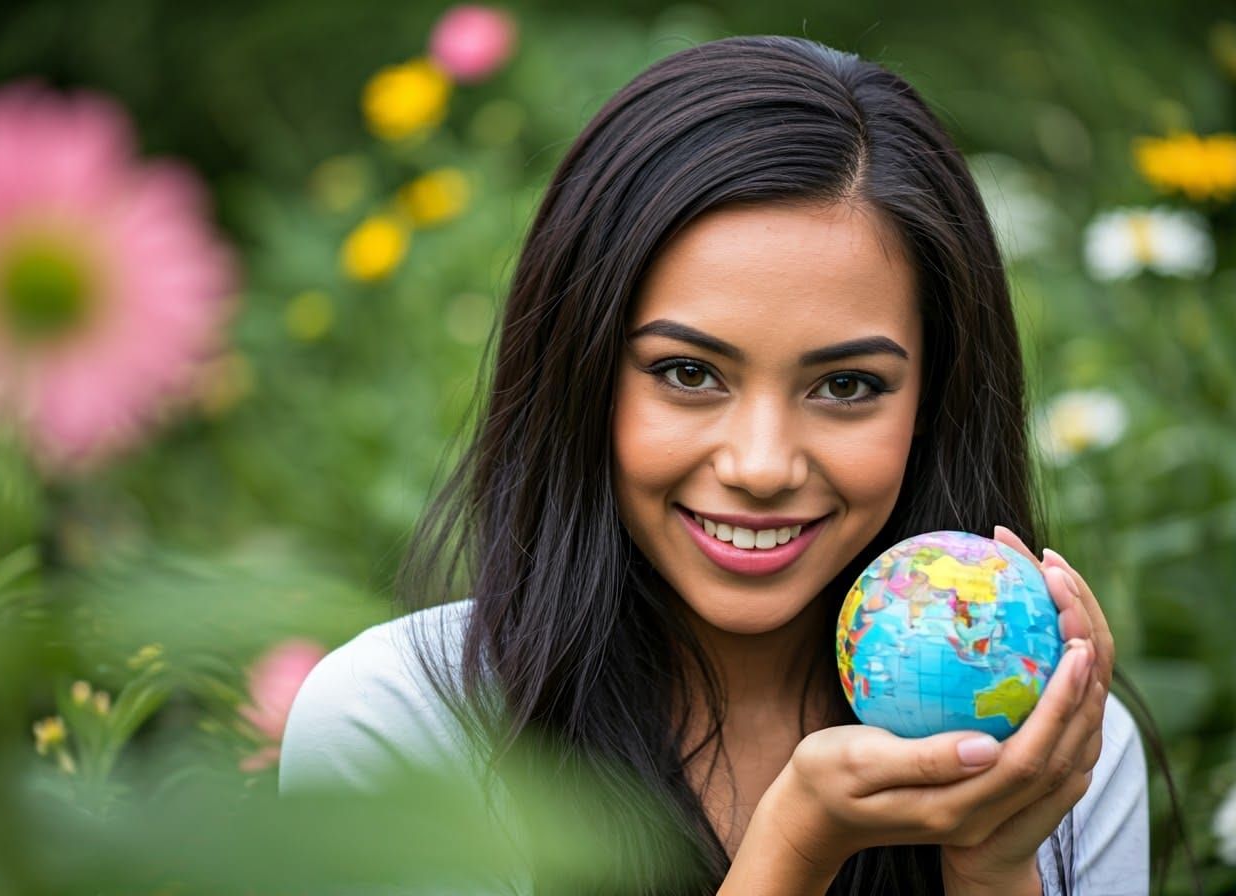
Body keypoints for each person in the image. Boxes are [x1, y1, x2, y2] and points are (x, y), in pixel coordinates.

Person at [280, 35, 1154, 895]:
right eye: (689, 374)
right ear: (577, 374)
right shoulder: (398, 725)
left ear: (935, 401)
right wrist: (794, 849)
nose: (762, 465)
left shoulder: (1057, 753)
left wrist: (996, 868)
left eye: (847, 385)